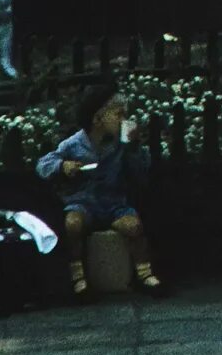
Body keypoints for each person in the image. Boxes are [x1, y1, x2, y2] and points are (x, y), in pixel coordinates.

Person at [36, 81, 162, 299]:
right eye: (119, 115)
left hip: (114, 202)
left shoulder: (121, 144)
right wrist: (62, 166)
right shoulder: (75, 144)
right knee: (73, 224)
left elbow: (142, 170)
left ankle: (145, 274)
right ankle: (78, 276)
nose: (124, 120)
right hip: (84, 202)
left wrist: (133, 148)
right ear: (98, 119)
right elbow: (43, 164)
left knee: (134, 226)